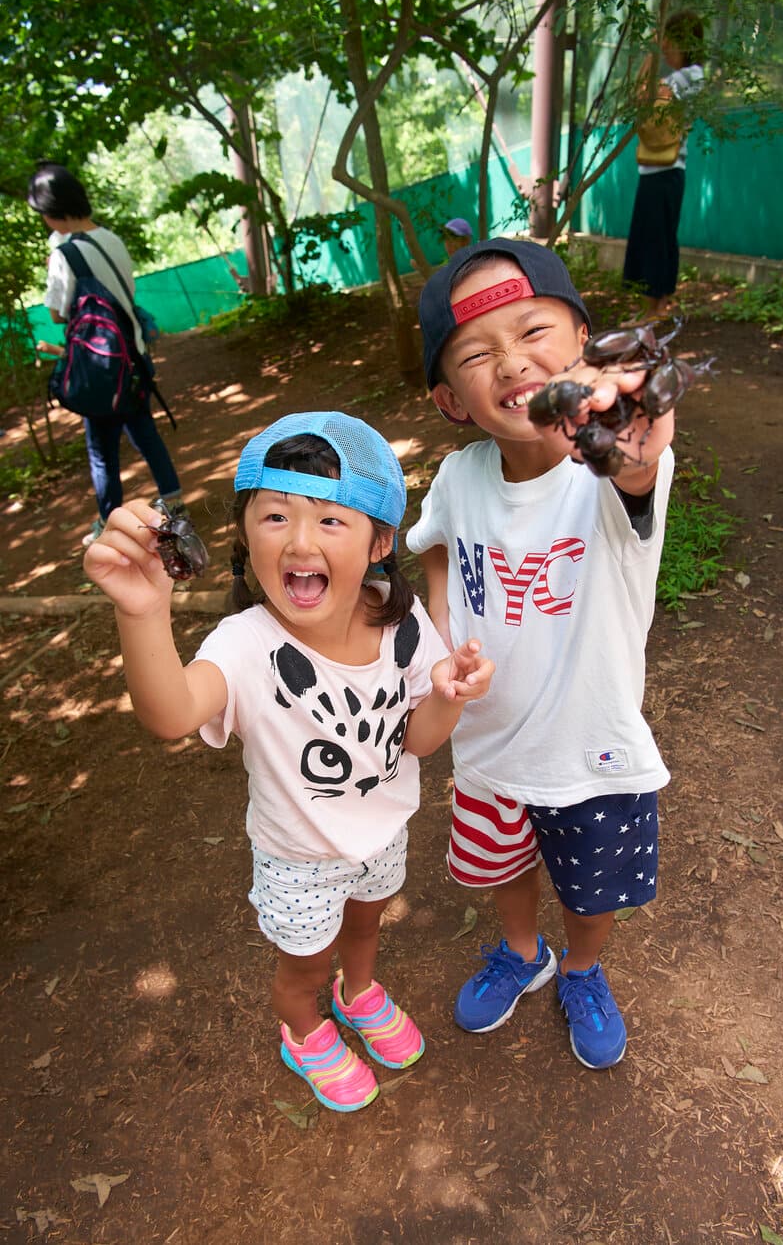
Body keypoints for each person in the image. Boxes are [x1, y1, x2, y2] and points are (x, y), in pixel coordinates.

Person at [83, 410, 494, 1111]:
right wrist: (143, 612)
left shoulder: (402, 621)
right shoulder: (243, 645)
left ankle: (358, 991)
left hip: (384, 832)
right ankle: (304, 1028)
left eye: (332, 520)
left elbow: (419, 741)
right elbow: (171, 713)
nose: (301, 540)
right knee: (302, 964)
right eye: (275, 517)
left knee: (368, 922)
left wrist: (448, 699)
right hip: (298, 858)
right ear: (245, 537)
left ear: (379, 542)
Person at [406, 237, 675, 1070]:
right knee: (501, 866)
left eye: (533, 332)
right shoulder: (459, 475)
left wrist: (633, 434)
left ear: (583, 342)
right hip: (487, 746)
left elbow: (638, 465)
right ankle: (525, 955)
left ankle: (584, 969)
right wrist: (445, 641)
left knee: (591, 890)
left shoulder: (607, 471)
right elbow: (437, 549)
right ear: (453, 399)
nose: (513, 363)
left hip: (592, 752)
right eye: (478, 354)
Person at [27, 162, 184, 546]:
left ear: (51, 211)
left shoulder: (65, 254)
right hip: (133, 356)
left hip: (100, 366)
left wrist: (57, 266)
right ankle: (175, 503)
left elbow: (57, 312)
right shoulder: (111, 239)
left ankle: (107, 522)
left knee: (101, 451)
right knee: (145, 432)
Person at [622, 12, 705, 321]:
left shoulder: (689, 76)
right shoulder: (683, 78)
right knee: (661, 237)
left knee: (654, 239)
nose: (667, 50)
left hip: (663, 171)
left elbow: (640, 95)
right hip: (663, 171)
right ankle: (660, 306)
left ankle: (650, 311)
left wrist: (651, 52)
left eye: (670, 43)